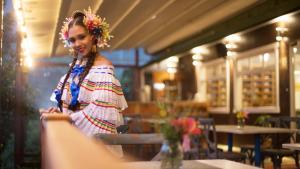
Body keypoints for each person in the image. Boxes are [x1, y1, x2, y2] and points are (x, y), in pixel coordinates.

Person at [41, 8, 128, 155]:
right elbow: (74, 107)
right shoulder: (76, 66)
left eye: (81, 37)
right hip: (77, 143)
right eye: (72, 40)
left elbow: (98, 113)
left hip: (96, 149)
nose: (77, 43)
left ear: (94, 36)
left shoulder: (104, 68)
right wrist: (60, 112)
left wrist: (67, 118)